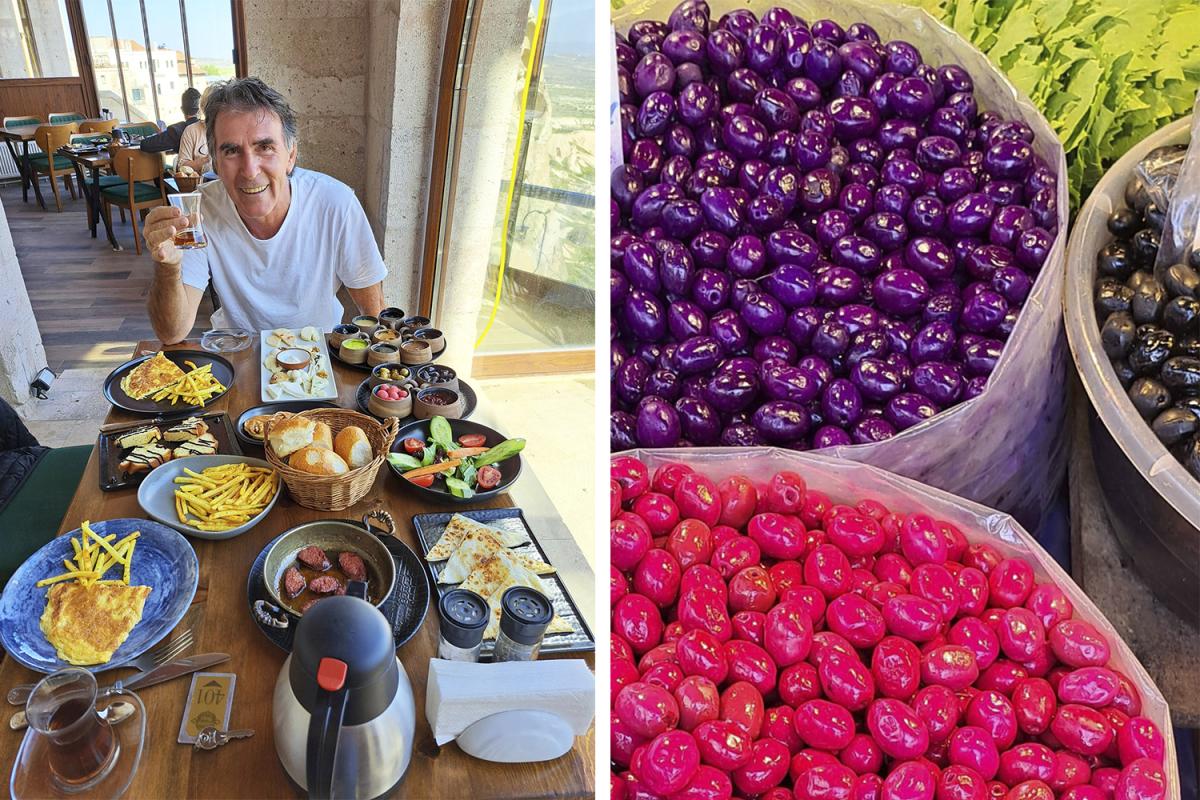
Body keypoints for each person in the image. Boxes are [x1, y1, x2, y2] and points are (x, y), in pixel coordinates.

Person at [141, 78, 387, 341]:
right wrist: (168, 266)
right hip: (238, 353)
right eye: (232, 151)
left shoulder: (336, 203)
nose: (249, 171)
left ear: (290, 156)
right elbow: (172, 333)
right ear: (216, 164)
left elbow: (374, 313)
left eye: (265, 147)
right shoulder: (199, 210)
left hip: (317, 359)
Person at [139, 87, 202, 154]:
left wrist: (162, 135)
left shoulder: (177, 131)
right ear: (200, 110)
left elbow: (145, 145)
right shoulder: (208, 128)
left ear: (182, 109)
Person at [175, 85, 213, 175]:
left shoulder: (232, 130)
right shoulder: (191, 131)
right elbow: (182, 166)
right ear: (203, 108)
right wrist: (206, 161)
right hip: (201, 184)